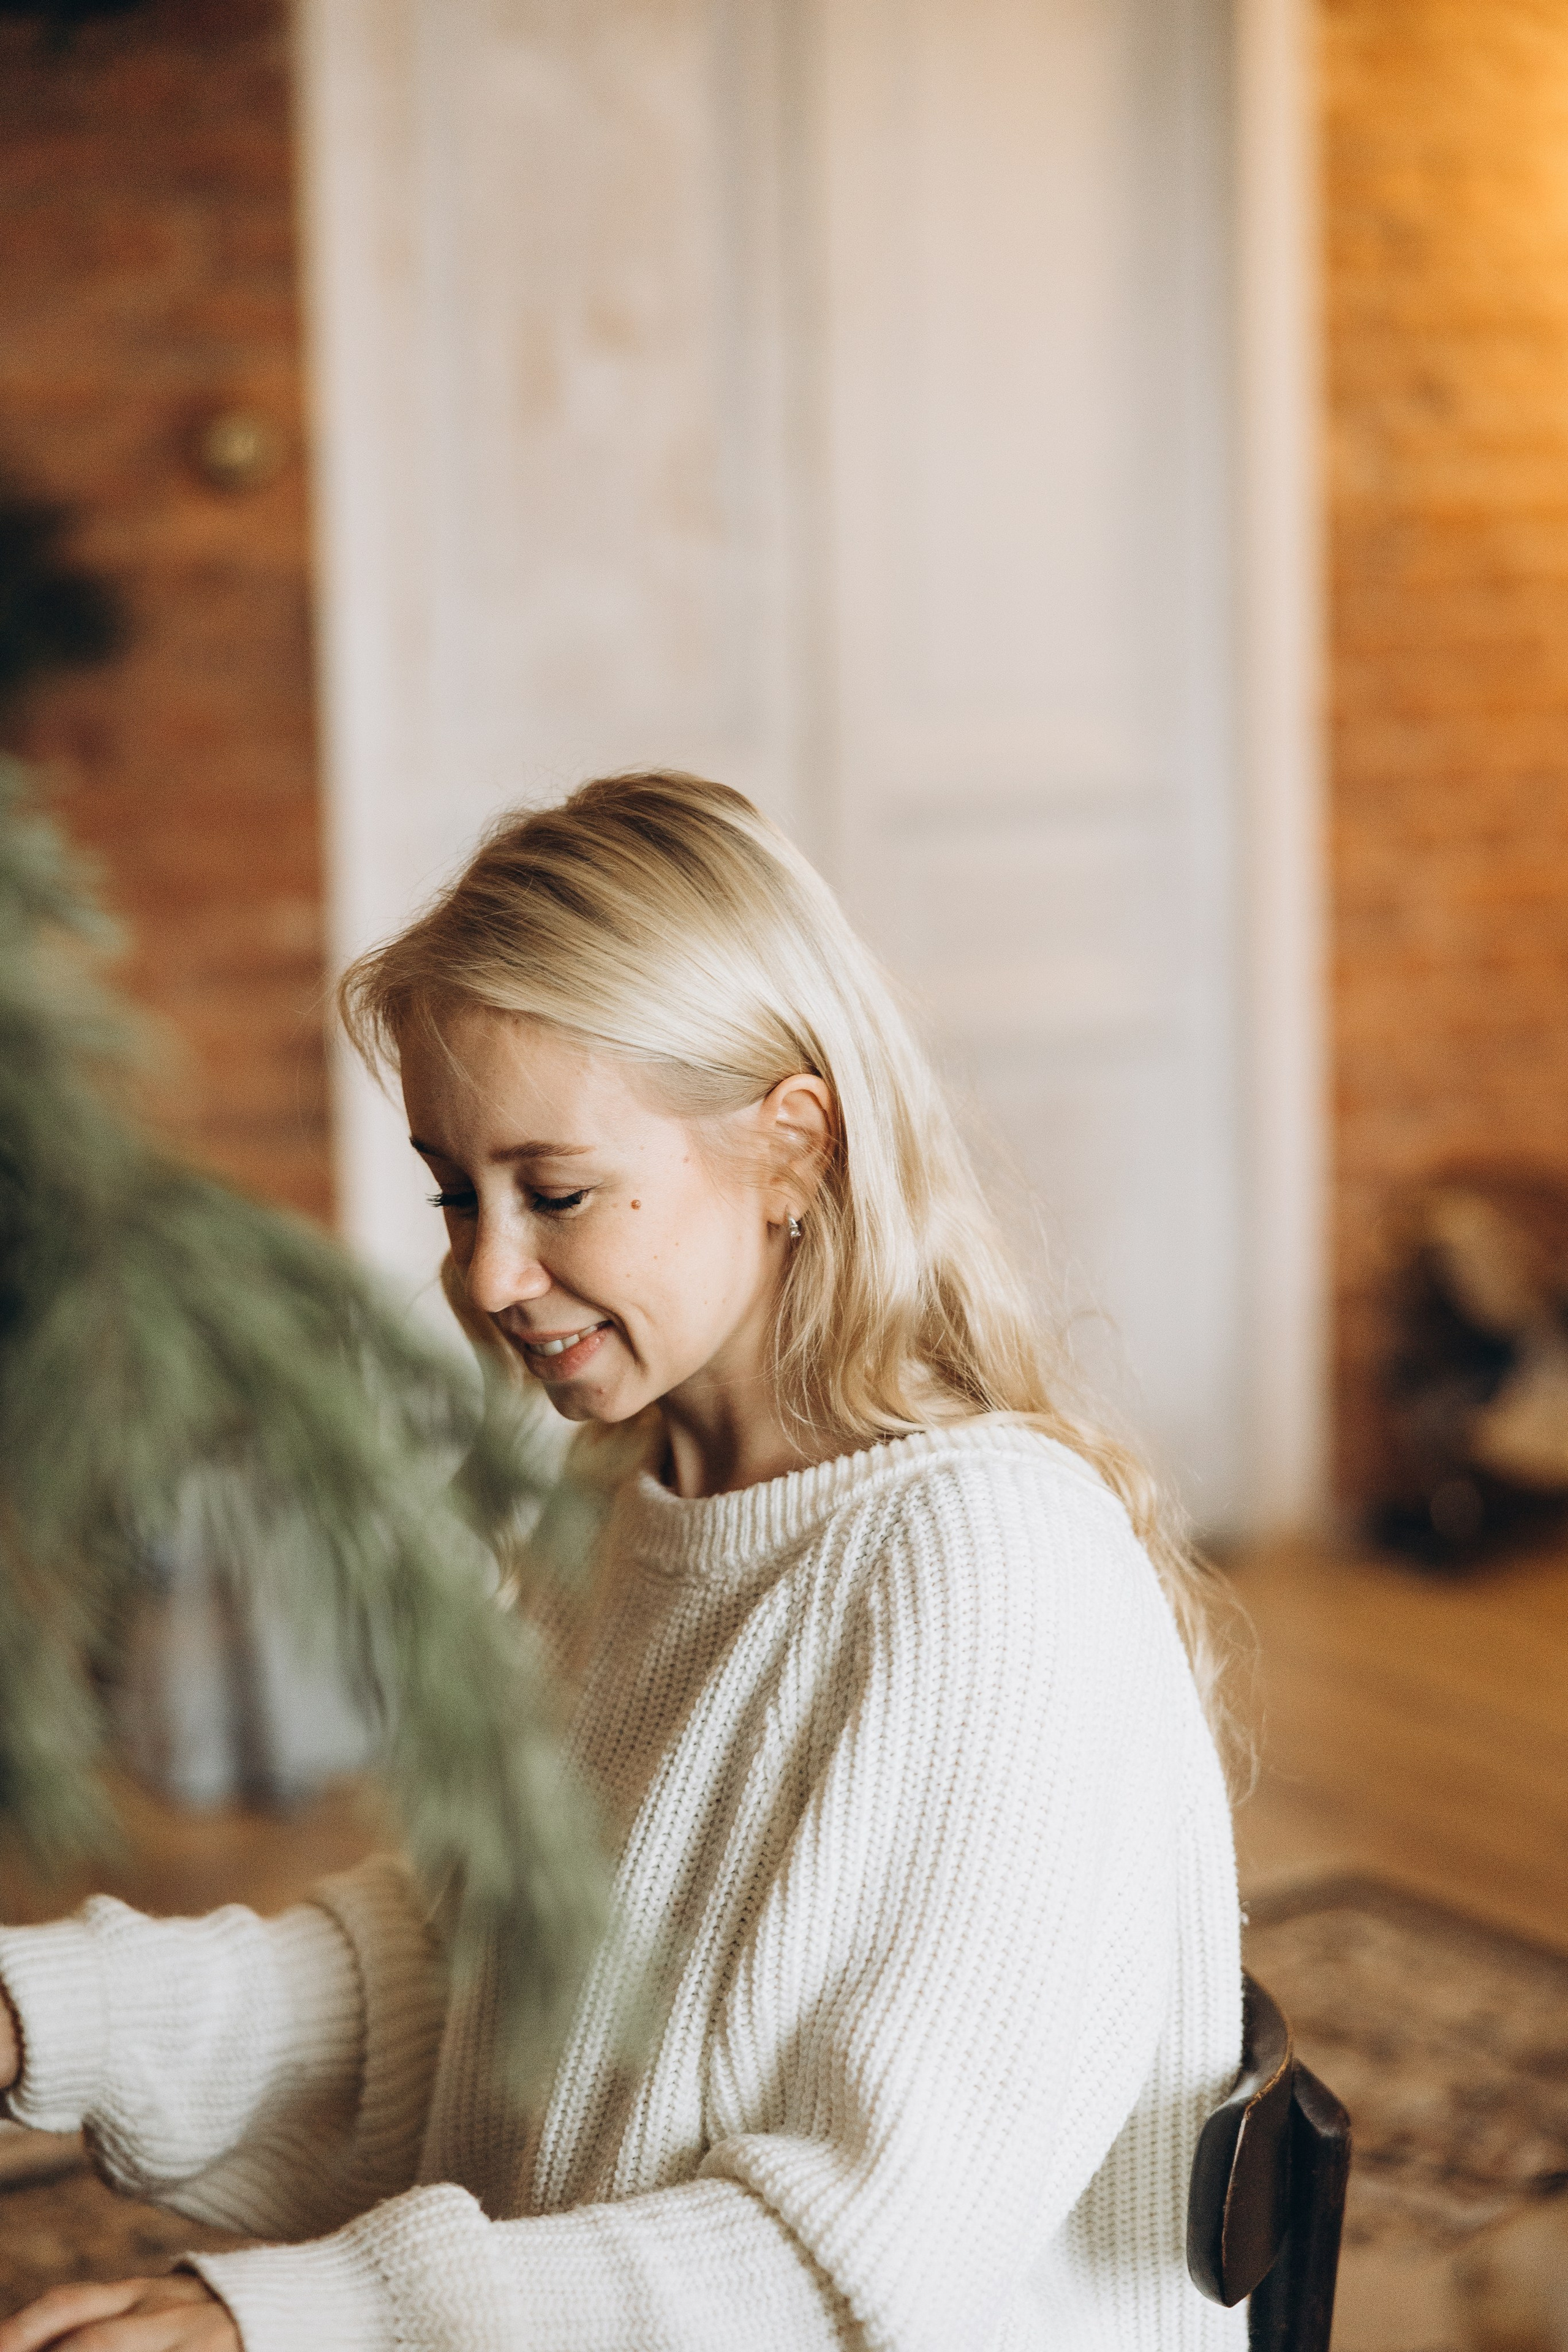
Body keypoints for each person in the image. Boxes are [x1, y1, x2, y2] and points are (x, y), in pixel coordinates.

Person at [0, 773, 1248, 2352]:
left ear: (793, 1149)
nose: (487, 1274)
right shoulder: (621, 1508)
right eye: (456, 1192)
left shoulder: (991, 1564)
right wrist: (42, 2012)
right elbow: (454, 1980)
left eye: (557, 1193)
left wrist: (293, 2325)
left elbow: (844, 2272)